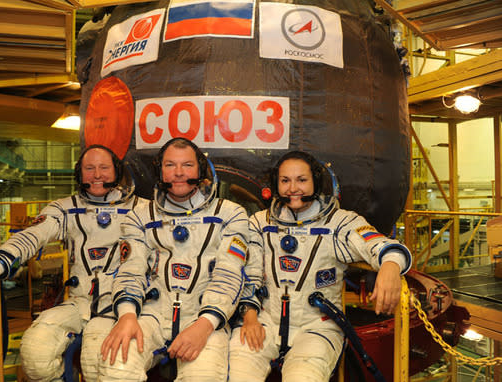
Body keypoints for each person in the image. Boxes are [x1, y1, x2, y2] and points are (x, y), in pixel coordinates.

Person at [0, 145, 145, 382]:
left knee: (99, 365)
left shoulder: (142, 210)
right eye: (89, 168)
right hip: (80, 303)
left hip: (123, 306)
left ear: (117, 171)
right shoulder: (64, 209)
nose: (97, 175)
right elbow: (30, 237)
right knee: (35, 355)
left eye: (104, 168)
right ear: (79, 174)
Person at [228, 151, 412, 382]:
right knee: (235, 375)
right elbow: (250, 274)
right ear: (276, 185)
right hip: (264, 321)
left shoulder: (338, 222)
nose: (293, 188)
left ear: (316, 182)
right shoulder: (260, 223)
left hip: (317, 326)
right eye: (285, 181)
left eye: (301, 180)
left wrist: (391, 266)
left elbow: (381, 245)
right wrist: (250, 316)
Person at [80, 137, 249, 381]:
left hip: (203, 317)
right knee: (115, 369)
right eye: (170, 165)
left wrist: (205, 324)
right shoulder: (140, 217)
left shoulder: (230, 214)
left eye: (187, 165)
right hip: (153, 316)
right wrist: (127, 315)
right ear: (160, 171)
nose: (178, 173)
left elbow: (230, 273)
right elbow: (131, 269)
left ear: (201, 170)